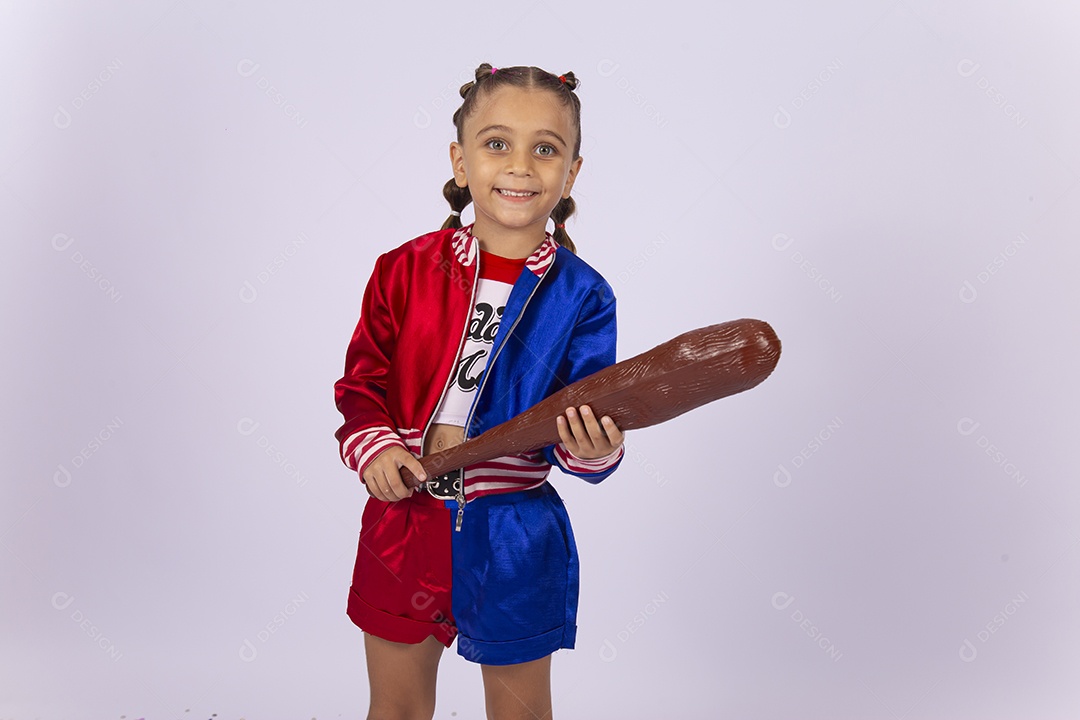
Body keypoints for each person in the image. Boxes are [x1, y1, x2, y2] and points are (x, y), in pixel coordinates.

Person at [334, 63, 625, 720]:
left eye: (545, 148)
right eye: (497, 143)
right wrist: (376, 448)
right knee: (397, 708)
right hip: (403, 524)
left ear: (571, 173)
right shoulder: (403, 271)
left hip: (516, 536)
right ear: (460, 162)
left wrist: (594, 447)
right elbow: (362, 385)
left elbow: (586, 416)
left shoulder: (584, 295)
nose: (520, 165)